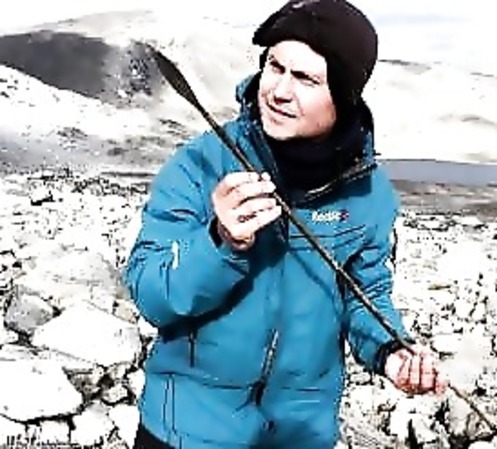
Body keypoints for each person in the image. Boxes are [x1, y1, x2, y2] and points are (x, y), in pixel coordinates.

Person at [124, 1, 447, 448]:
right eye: (274, 67)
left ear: (344, 96)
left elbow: (364, 296)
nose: (278, 90)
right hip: (186, 430)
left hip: (299, 435)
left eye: (306, 79)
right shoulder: (200, 164)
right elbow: (151, 295)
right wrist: (220, 242)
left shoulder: (368, 194)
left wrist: (391, 352)